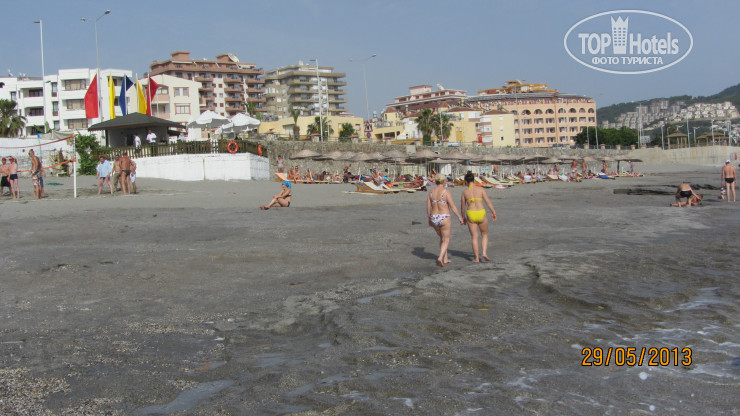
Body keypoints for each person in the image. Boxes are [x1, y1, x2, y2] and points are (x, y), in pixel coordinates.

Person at [427, 173, 464, 267]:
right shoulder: (446, 192)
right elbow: (453, 206)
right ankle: (440, 257)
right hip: (444, 216)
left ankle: (445, 258)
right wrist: (460, 217)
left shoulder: (430, 193)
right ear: (443, 181)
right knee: (446, 239)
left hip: (434, 217)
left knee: (442, 238)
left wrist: (429, 219)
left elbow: (428, 208)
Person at [461, 172, 497, 263]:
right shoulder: (480, 189)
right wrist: (493, 212)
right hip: (481, 212)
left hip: (471, 213)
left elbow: (463, 206)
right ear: (474, 180)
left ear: (466, 181)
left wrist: (463, 217)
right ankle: (484, 253)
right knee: (484, 234)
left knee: (474, 237)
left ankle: (476, 258)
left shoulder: (465, 192)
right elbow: (487, 201)